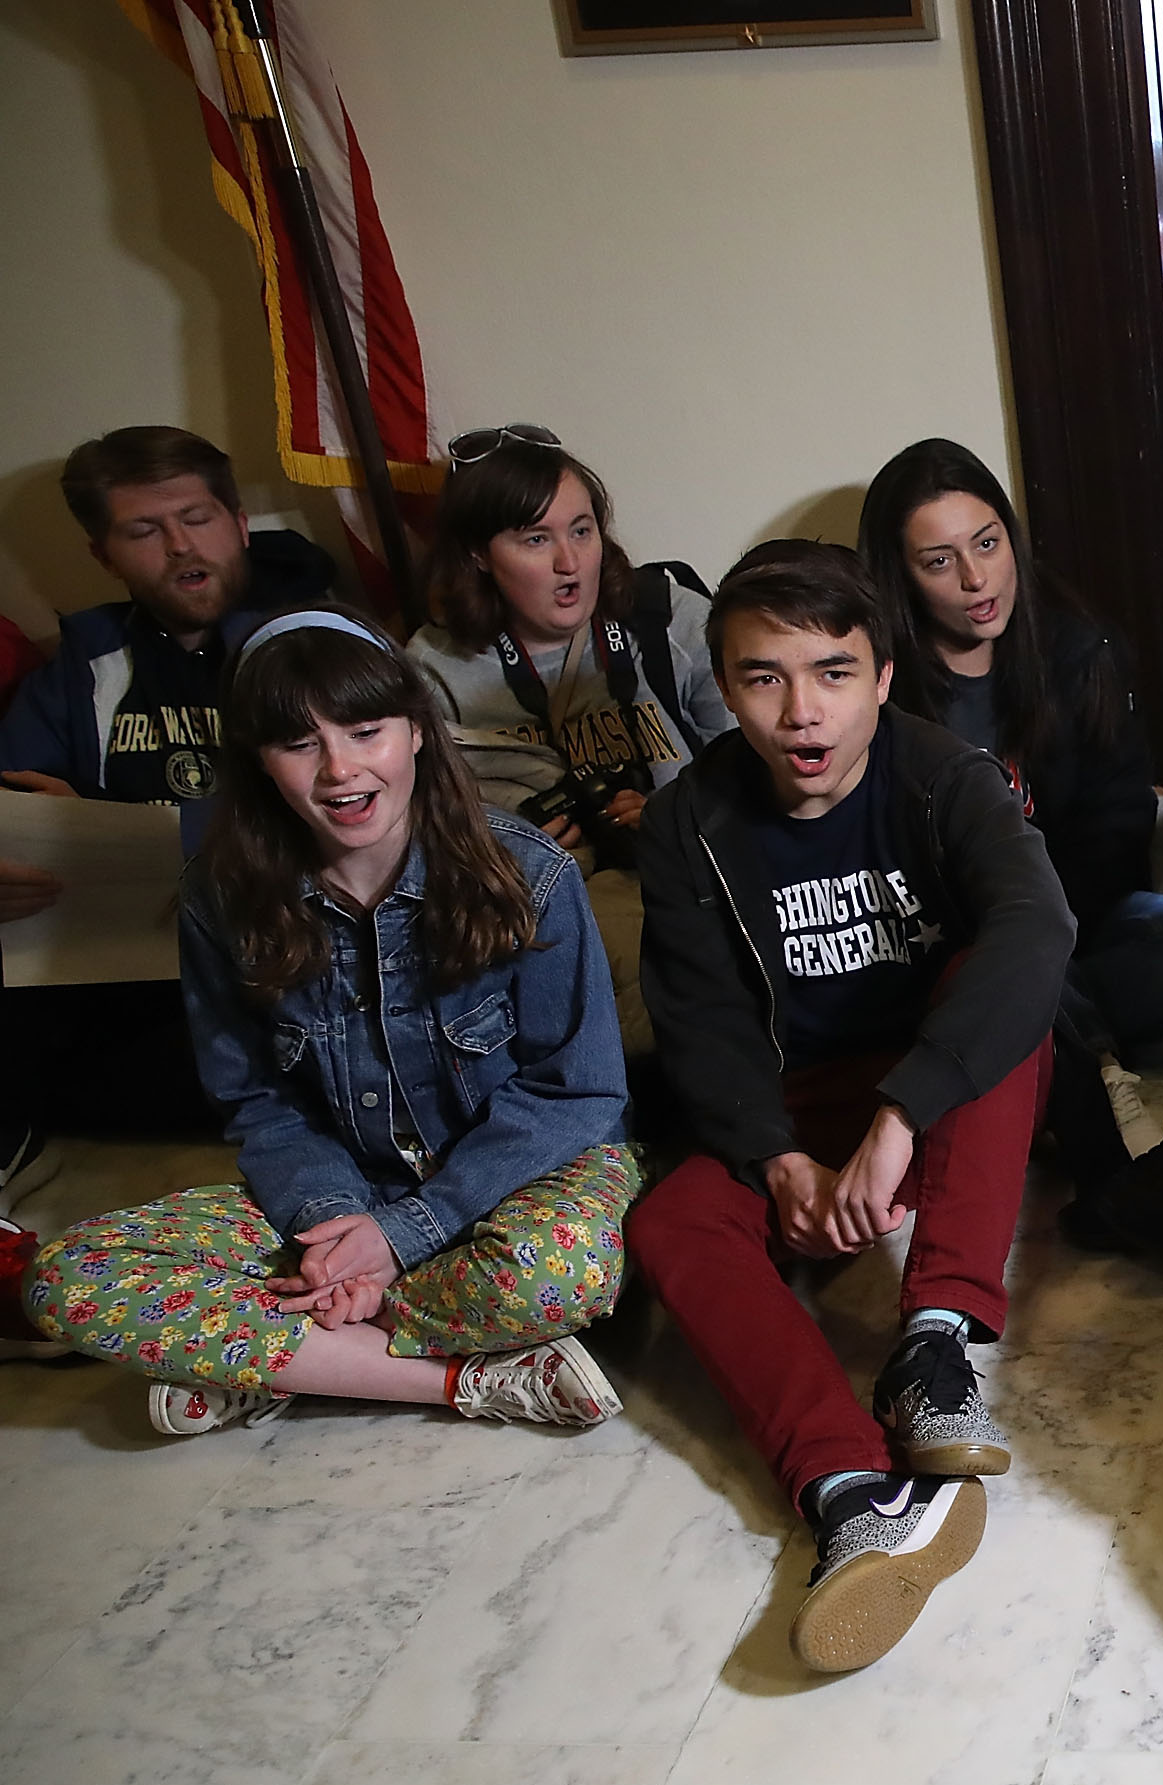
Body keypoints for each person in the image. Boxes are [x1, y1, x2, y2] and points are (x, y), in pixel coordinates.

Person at [20, 610, 639, 1436]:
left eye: (365, 729)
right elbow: (259, 1104)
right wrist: (332, 1228)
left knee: (560, 1273)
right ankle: (461, 1378)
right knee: (69, 1278)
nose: (340, 768)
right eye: (298, 744)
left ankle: (272, 1354)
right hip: (344, 1191)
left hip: (519, 1177)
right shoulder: (220, 900)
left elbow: (580, 1091)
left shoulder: (528, 872)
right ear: (259, 763)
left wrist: (401, 1236)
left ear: (417, 730)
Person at [626, 540, 1074, 1674]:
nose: (800, 711)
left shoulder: (945, 775)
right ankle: (853, 1492)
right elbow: (701, 1025)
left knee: (1002, 995)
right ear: (723, 689)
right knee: (672, 1220)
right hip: (800, 1110)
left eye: (833, 671)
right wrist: (776, 1159)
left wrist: (902, 1113)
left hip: (934, 1102)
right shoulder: (688, 821)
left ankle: (936, 1346)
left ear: (883, 676)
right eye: (763, 677)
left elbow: (1038, 933)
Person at [858, 438, 1163, 1174]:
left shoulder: (1075, 645)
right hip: (950, 940)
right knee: (976, 971)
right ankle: (1088, 1063)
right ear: (900, 576)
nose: (975, 578)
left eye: (988, 544)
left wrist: (1044, 927)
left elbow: (1118, 821)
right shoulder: (881, 686)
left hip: (1072, 925)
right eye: (939, 562)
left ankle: (1033, 1048)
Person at [1, 427, 341, 1173]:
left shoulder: (314, 642)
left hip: (279, 953)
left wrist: (161, 836)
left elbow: (359, 801)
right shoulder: (83, 664)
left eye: (198, 518)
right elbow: (14, 800)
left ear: (240, 523)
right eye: (145, 531)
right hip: (117, 970)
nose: (182, 547)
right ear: (104, 553)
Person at [406, 425, 732, 1061]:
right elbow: (412, 836)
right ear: (478, 553)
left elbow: (757, 762)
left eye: (582, 531)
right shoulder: (429, 670)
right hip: (535, 915)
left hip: (682, 882)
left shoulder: (666, 617)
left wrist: (679, 814)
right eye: (535, 538)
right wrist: (498, 855)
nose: (569, 561)